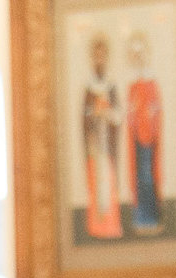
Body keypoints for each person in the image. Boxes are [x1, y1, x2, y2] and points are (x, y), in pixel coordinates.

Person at [79, 32, 123, 241]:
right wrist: (94, 114)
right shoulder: (88, 88)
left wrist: (107, 113)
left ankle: (111, 225)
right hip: (95, 145)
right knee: (96, 184)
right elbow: (85, 117)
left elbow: (118, 115)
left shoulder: (111, 86)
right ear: (92, 58)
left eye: (102, 55)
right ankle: (97, 226)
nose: (99, 59)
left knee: (109, 181)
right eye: (96, 55)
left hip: (108, 145)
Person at [126, 30, 164, 233]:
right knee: (140, 177)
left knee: (148, 176)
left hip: (148, 137)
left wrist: (149, 115)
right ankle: (140, 217)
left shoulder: (151, 83)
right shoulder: (133, 85)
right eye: (135, 54)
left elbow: (155, 109)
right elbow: (131, 111)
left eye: (141, 52)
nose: (138, 57)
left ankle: (150, 217)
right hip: (137, 138)